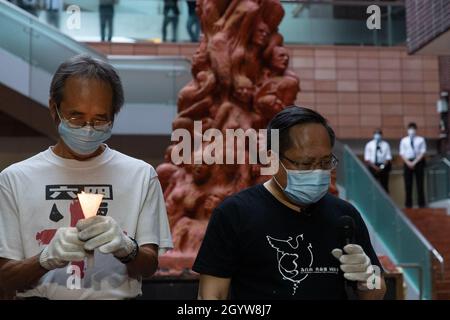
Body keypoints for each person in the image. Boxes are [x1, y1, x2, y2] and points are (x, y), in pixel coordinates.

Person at [0, 55, 173, 300]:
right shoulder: (15, 179)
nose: (88, 128)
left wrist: (127, 248)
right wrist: (45, 259)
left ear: (115, 114)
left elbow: (149, 266)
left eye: (100, 119)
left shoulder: (141, 175)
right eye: (76, 117)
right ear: (54, 109)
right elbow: (5, 277)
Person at [193, 106, 386, 300]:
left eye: (325, 162)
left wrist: (368, 278)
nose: (317, 172)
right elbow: (211, 295)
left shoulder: (344, 215)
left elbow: (376, 291)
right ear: (272, 159)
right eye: (305, 163)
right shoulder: (234, 214)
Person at [400, 122, 427, 208]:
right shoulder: (404, 140)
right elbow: (402, 153)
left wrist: (415, 162)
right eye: (410, 129)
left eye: (413, 129)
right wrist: (408, 163)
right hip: (407, 162)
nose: (411, 131)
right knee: (408, 184)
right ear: (407, 130)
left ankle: (421, 204)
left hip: (418, 162)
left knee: (420, 184)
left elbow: (422, 152)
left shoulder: (421, 140)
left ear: (416, 130)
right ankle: (408, 205)